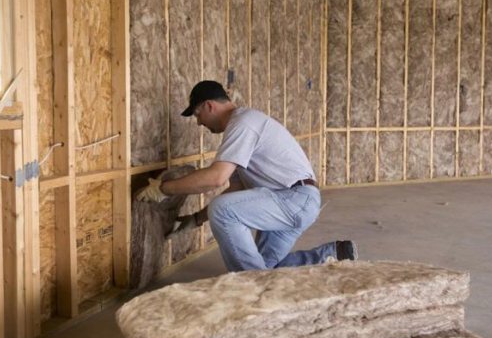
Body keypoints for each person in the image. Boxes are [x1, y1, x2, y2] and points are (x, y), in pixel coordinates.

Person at [137, 80, 357, 272]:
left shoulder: (242, 123)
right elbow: (236, 188)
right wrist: (196, 219)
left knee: (222, 211)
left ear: (209, 106)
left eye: (197, 115)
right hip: (295, 201)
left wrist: (162, 189)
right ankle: (332, 255)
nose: (199, 123)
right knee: (266, 268)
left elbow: (215, 178)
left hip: (293, 199)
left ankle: (249, 285)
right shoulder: (245, 124)